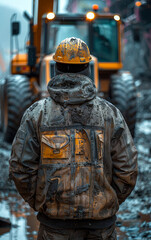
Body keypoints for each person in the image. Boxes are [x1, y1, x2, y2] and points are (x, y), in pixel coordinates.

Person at [9, 37, 137, 240]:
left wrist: (42, 202)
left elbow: (20, 168)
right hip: (101, 228)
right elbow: (127, 169)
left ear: (56, 68)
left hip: (54, 228)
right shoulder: (110, 114)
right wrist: (105, 201)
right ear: (87, 68)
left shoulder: (36, 113)